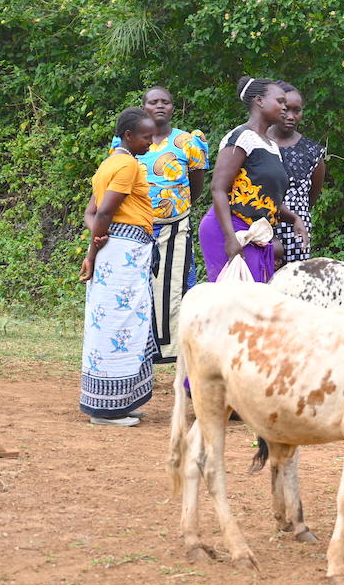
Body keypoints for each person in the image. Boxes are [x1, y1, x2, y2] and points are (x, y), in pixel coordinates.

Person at [110, 86, 209, 366]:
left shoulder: (187, 141)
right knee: (134, 286)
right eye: (153, 102)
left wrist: (176, 205)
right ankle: (135, 346)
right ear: (144, 107)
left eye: (166, 101)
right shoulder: (129, 141)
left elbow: (196, 183)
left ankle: (171, 350)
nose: (160, 106)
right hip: (134, 226)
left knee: (174, 287)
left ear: (173, 107)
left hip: (174, 226)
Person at [80, 107, 159, 427]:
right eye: (145, 137)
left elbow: (93, 214)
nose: (150, 143)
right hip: (124, 254)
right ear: (128, 135)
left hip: (114, 248)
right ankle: (108, 410)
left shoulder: (109, 163)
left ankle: (114, 402)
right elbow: (102, 214)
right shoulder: (126, 165)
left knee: (113, 322)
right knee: (122, 324)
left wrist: (95, 247)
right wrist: (93, 247)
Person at [198, 77, 308, 283]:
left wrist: (294, 219)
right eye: (280, 101)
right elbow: (218, 189)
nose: (285, 107)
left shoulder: (271, 146)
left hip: (256, 234)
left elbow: (267, 199)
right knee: (235, 304)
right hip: (230, 230)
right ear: (259, 101)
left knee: (254, 305)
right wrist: (230, 238)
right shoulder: (242, 137)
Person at [268, 81, 326, 264]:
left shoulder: (312, 151)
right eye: (286, 109)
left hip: (296, 231)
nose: (291, 116)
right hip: (261, 226)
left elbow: (311, 197)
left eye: (297, 110)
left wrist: (296, 216)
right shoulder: (255, 142)